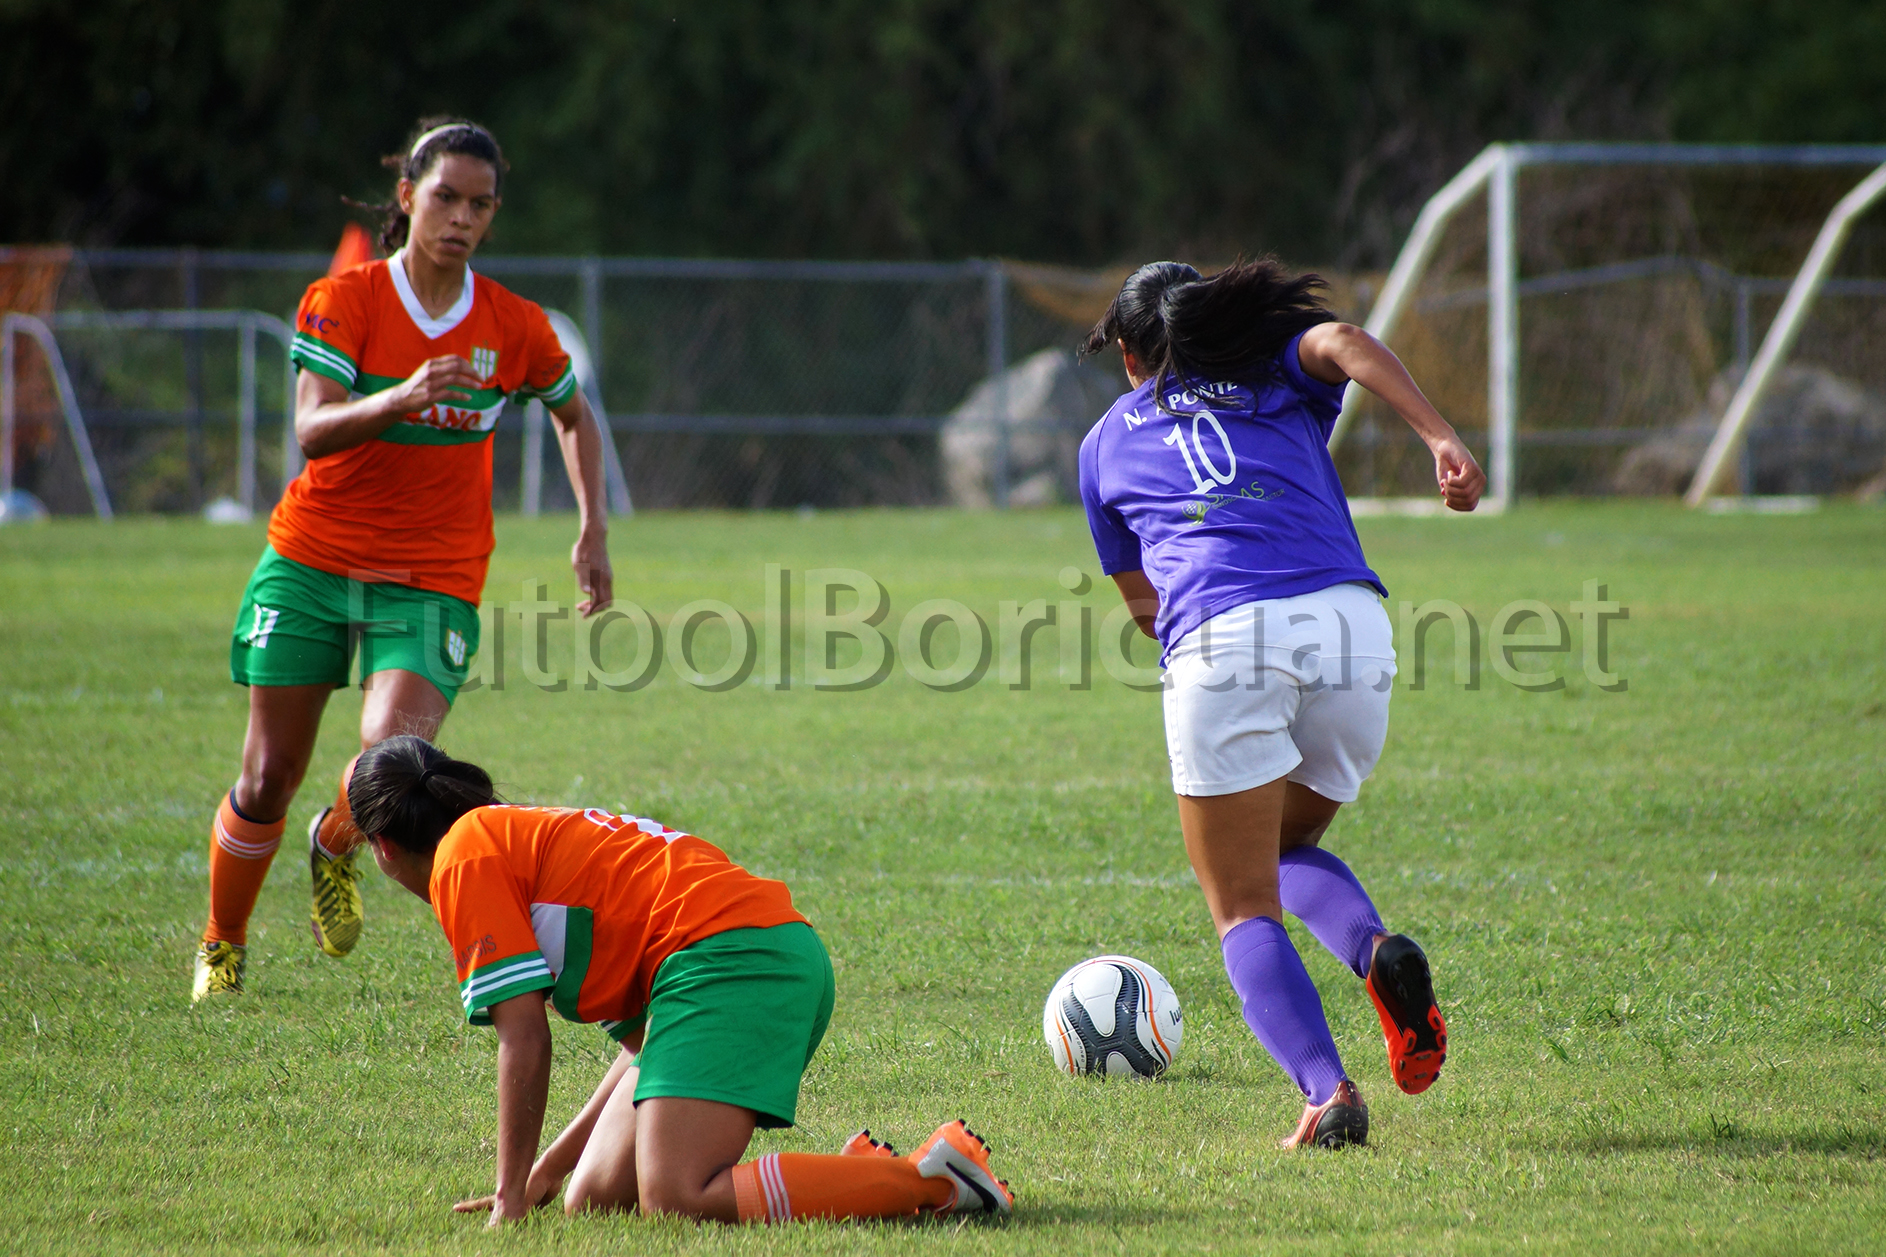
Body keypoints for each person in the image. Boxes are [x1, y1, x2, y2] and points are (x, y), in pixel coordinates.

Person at [192, 117, 616, 1001]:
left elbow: (573, 414)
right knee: (267, 774)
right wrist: (404, 395)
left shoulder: (514, 325)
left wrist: (592, 528)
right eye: (446, 197)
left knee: (394, 749)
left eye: (481, 204)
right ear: (407, 198)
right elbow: (312, 429)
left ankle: (337, 840)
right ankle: (222, 948)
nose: (462, 217)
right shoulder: (344, 299)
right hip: (313, 559)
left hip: (433, 575)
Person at [1076, 258, 1483, 1148]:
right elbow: (1344, 339)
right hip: (1351, 623)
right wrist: (1441, 439)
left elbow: (1145, 611)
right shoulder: (1272, 375)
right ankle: (1376, 953)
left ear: (1134, 358)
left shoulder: (1104, 444)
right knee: (1288, 841)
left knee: (1242, 902)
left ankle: (1328, 1090)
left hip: (1222, 641)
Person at [347, 735, 1013, 1225]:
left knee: (676, 1194)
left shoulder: (465, 857)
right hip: (758, 955)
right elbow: (645, 1045)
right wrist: (547, 1172)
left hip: (737, 964)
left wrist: (511, 1194)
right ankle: (859, 1179)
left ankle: (931, 1179)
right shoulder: (505, 837)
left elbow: (523, 1042)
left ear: (382, 847)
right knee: (595, 1197)